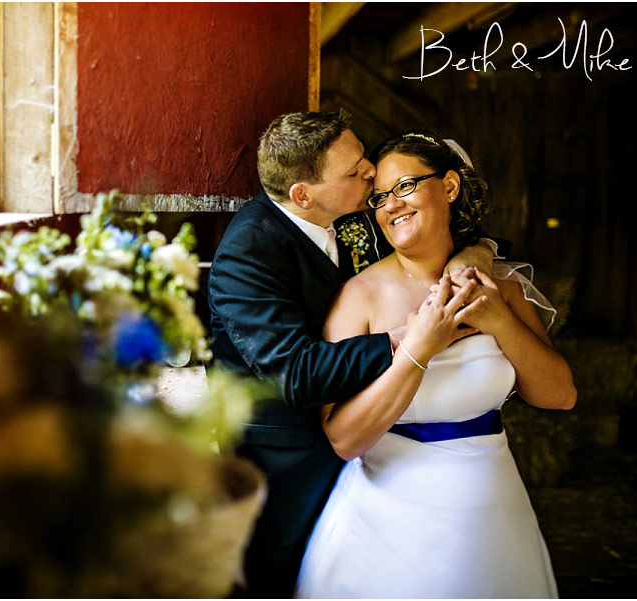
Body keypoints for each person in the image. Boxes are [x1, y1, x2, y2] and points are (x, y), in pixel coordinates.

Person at [207, 111, 503, 597]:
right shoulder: (249, 252)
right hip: (288, 465)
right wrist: (408, 335)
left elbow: (455, 232)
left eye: (364, 157)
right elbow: (296, 374)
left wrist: (480, 252)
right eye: (355, 171)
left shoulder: (355, 217)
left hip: (372, 447)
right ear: (303, 194)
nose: (371, 172)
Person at [296, 130, 576, 598]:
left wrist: (499, 320)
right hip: (387, 528)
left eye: (405, 186)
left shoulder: (500, 286)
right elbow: (343, 440)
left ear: (448, 187)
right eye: (379, 196)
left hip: (495, 518)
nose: (390, 205)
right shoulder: (358, 297)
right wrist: (417, 350)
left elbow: (560, 396)